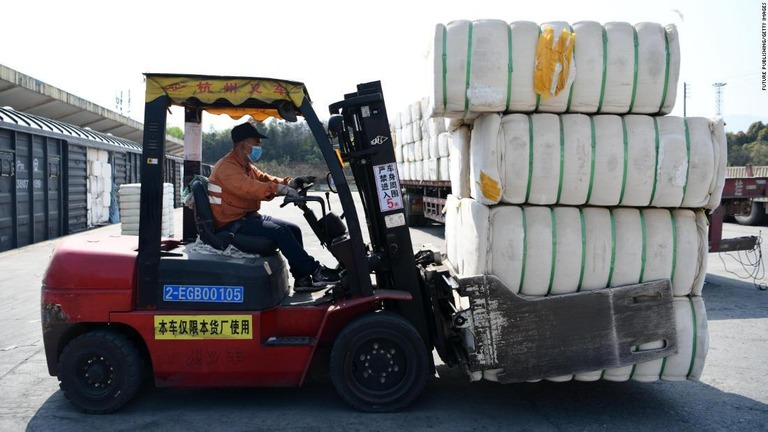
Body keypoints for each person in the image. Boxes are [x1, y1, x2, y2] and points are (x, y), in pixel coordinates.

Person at [208, 121, 339, 290]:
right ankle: (316, 271)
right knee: (280, 232)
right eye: (256, 142)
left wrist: (289, 183)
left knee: (293, 229)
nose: (259, 146)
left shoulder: (245, 165)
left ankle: (302, 280)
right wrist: (279, 189)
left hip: (246, 217)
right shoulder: (227, 168)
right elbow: (250, 188)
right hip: (231, 224)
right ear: (243, 144)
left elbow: (264, 179)